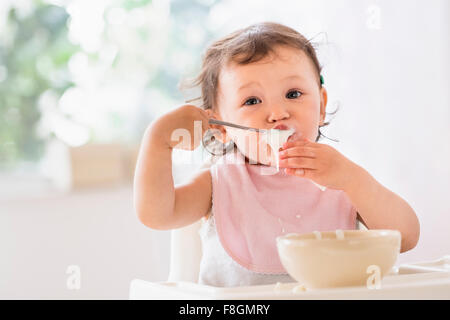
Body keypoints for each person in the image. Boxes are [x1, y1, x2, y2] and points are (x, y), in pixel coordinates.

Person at [133, 22, 420, 287]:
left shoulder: (340, 178)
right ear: (221, 127)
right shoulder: (219, 183)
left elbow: (405, 237)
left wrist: (353, 180)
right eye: (252, 101)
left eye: (293, 94)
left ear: (321, 106)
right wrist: (157, 142)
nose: (278, 113)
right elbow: (157, 215)